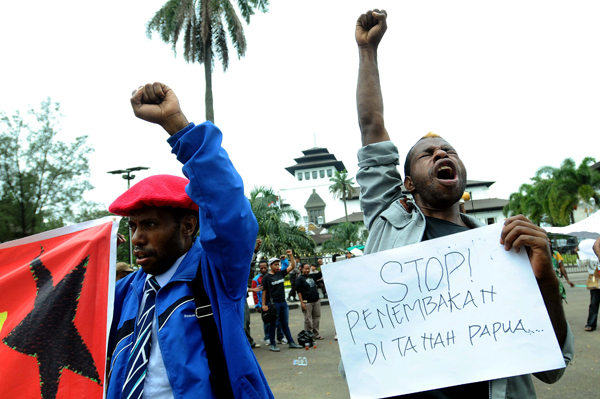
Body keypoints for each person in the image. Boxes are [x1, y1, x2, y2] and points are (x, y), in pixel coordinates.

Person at [352, 10, 574, 398]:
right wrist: (367, 51)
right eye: (428, 154)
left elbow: (551, 369)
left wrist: (545, 280)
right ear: (406, 183)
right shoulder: (389, 219)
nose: (441, 154)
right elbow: (372, 127)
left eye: (448, 151)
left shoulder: (504, 250)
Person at [106, 82, 272, 398]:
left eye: (150, 224)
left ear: (187, 226)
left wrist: (176, 125)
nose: (137, 238)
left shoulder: (218, 277)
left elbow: (228, 207)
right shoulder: (124, 292)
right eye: (133, 227)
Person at [261, 250, 303, 352]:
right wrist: (263, 305)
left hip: (283, 302)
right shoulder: (266, 278)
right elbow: (264, 292)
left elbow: (292, 266)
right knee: (273, 324)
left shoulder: (281, 273)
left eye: (278, 264)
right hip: (273, 304)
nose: (277, 266)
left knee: (285, 323)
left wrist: (291, 255)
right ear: (270, 265)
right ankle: (272, 344)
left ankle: (291, 342)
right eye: (275, 265)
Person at [252, 259, 286, 345]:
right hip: (264, 304)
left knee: (278, 321)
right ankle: (267, 337)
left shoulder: (273, 275)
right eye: (261, 268)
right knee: (267, 321)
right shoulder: (256, 279)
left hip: (274, 302)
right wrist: (258, 305)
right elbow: (255, 293)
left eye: (265, 267)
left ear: (268, 267)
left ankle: (280, 337)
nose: (263, 269)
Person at [296, 263, 324, 340]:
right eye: (306, 269)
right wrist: (302, 303)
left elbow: (320, 273)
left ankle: (316, 334)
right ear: (301, 269)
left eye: (308, 269)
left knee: (316, 318)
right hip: (307, 302)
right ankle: (308, 335)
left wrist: (321, 264)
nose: (307, 270)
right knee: (308, 319)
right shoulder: (299, 279)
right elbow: (299, 292)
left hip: (316, 300)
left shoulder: (312, 276)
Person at [578, 238, 600, 331]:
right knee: (594, 303)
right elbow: (581, 264)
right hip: (595, 280)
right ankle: (591, 324)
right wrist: (579, 254)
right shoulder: (590, 256)